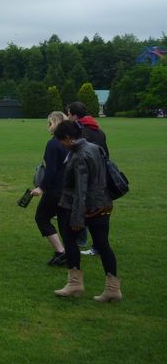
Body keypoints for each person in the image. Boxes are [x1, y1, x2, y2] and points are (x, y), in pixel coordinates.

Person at [52, 120, 121, 302]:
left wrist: (76, 219)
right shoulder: (95, 148)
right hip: (103, 203)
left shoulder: (79, 155)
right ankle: (113, 288)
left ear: (67, 137)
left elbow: (81, 190)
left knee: (70, 240)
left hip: (85, 207)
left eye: (62, 140)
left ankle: (75, 284)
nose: (62, 144)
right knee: (103, 244)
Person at [67, 101, 110, 256]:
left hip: (86, 177)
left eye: (69, 114)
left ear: (74, 115)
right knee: (99, 212)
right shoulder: (98, 130)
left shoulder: (82, 132)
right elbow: (106, 155)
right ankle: (98, 245)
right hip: (101, 177)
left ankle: (83, 242)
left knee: (84, 209)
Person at [30, 112, 69, 266]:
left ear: (55, 124)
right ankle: (70, 253)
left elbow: (51, 170)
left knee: (42, 218)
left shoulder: (53, 144)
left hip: (55, 190)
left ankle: (61, 252)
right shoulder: (69, 142)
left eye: (50, 123)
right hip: (67, 189)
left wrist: (41, 188)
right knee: (64, 221)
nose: (48, 127)